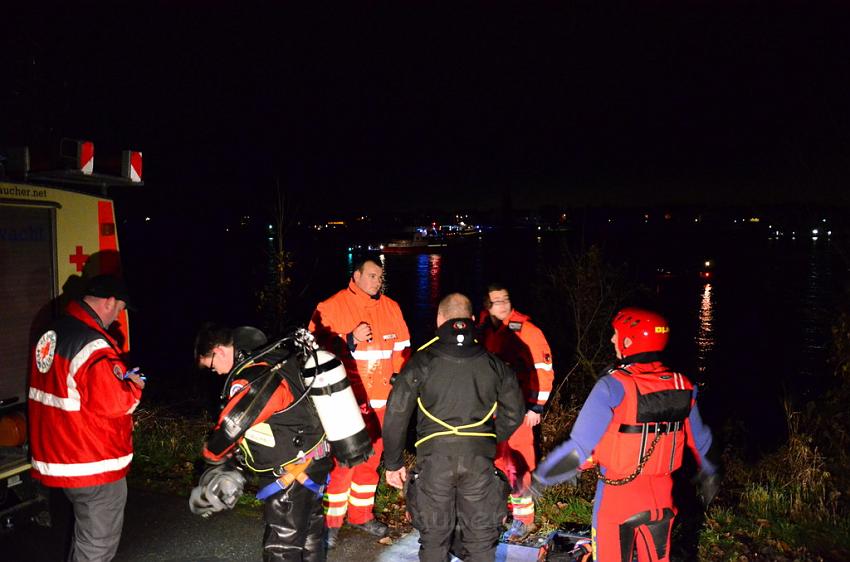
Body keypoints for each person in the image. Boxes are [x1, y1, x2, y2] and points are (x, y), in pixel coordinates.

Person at [529, 307, 719, 562]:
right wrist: (710, 474)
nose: (611, 340)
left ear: (630, 341)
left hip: (618, 500)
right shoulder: (683, 384)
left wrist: (539, 479)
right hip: (662, 497)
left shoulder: (612, 385)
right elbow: (702, 442)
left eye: (616, 334)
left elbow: (578, 449)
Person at [383, 293, 525, 562]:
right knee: (481, 541)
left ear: (439, 319)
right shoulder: (494, 364)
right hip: (479, 463)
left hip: (434, 463)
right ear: (472, 320)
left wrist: (393, 463)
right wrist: (489, 442)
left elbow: (397, 412)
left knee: (434, 540)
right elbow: (514, 411)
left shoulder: (421, 362)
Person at [28, 274, 145, 562]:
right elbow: (116, 402)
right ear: (108, 302)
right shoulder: (93, 345)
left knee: (86, 540)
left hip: (60, 457)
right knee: (96, 548)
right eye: (119, 309)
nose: (117, 316)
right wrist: (135, 385)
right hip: (91, 462)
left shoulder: (53, 331)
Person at [195, 323, 333, 562]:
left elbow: (235, 424)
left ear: (218, 350)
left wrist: (212, 453)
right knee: (310, 534)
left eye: (211, 366)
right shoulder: (279, 360)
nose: (216, 373)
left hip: (291, 471)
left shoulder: (255, 375)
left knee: (282, 546)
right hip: (315, 459)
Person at [308, 256, 411, 545]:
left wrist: (401, 384)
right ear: (356, 276)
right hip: (346, 402)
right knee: (343, 462)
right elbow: (313, 348)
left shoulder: (392, 308)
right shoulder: (331, 306)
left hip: (383, 403)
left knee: (372, 460)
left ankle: (361, 515)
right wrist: (349, 339)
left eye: (380, 277)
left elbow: (403, 350)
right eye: (371, 276)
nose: (377, 281)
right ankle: (331, 522)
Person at [479, 283, 554, 540]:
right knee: (497, 461)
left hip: (520, 409)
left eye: (505, 299)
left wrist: (536, 406)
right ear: (487, 305)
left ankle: (524, 519)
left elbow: (544, 371)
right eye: (496, 300)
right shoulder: (486, 330)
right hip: (492, 411)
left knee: (520, 463)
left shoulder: (527, 330)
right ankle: (503, 511)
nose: (502, 304)